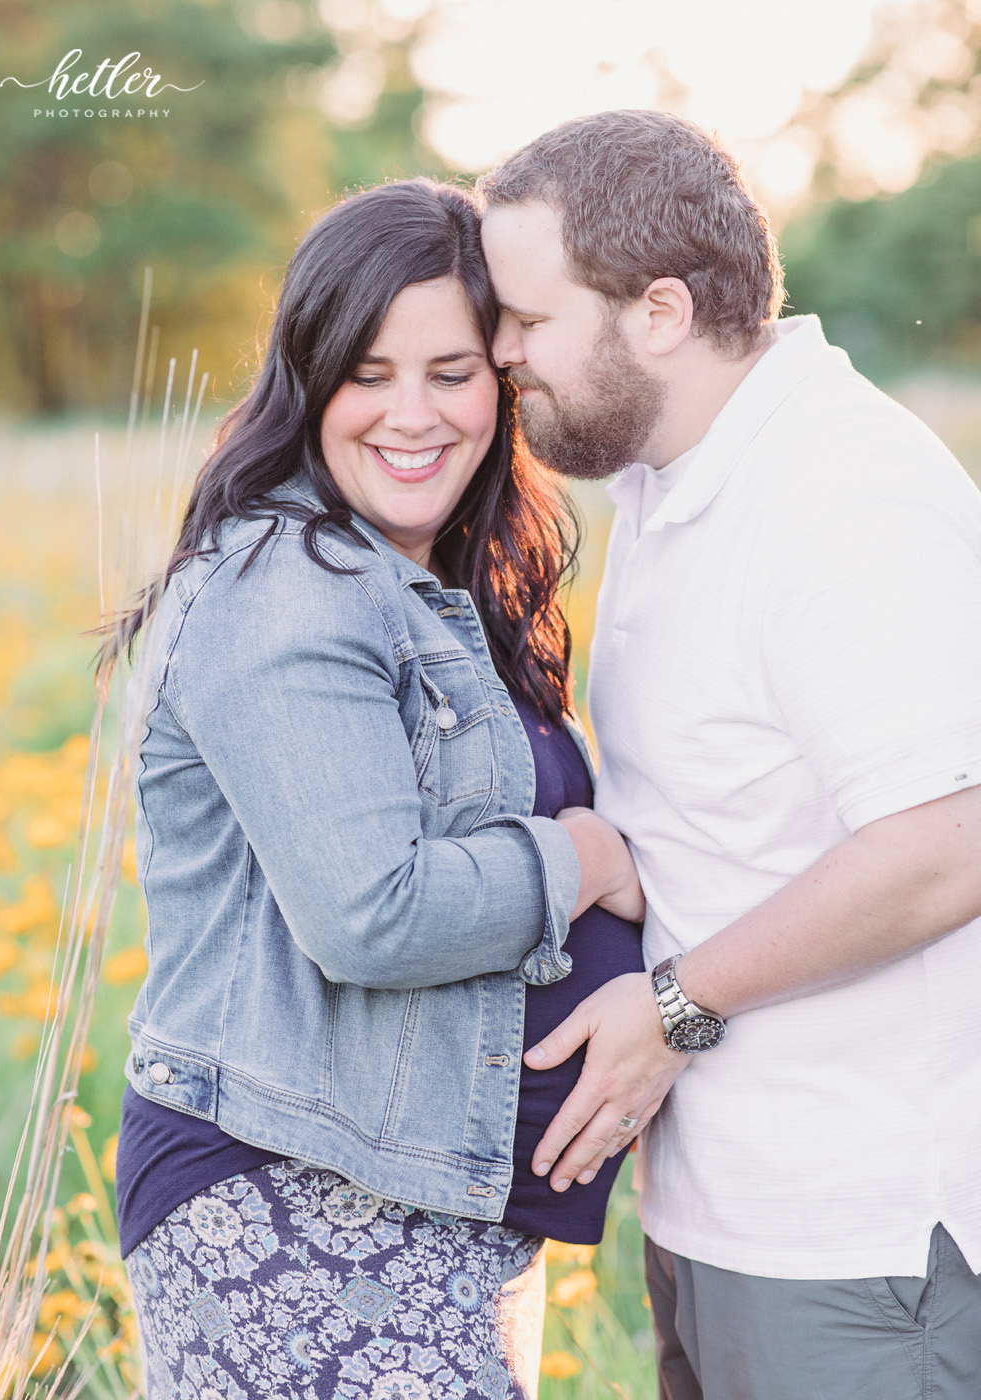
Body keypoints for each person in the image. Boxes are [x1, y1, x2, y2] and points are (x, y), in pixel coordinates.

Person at [110, 178, 645, 1400]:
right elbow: (372, 910)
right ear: (309, 381)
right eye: (369, 371)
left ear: (501, 381)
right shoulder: (285, 585)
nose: (413, 413)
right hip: (293, 1195)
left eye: (451, 371)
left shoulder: (432, 581)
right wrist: (589, 861)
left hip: (428, 1202)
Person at [478, 110, 981, 1400]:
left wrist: (676, 1000)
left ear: (657, 311)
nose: (499, 352)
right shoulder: (672, 475)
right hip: (724, 1209)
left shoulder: (837, 496)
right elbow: (746, 808)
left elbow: (947, 842)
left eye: (527, 320)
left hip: (860, 1246)